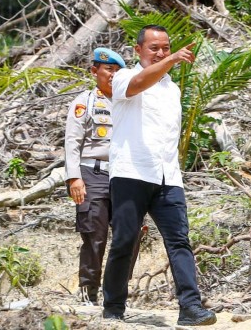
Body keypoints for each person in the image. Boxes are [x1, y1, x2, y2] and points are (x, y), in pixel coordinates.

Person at [101, 25, 217, 327]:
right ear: (138, 50)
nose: (161, 53)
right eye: (154, 48)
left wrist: (174, 171)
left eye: (166, 47)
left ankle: (190, 307)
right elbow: (139, 83)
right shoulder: (123, 77)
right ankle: (113, 306)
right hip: (131, 171)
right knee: (125, 240)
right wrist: (173, 60)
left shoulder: (173, 90)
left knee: (179, 240)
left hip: (167, 176)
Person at [64, 47, 126, 306]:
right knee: (94, 234)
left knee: (128, 234)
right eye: (108, 69)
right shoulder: (86, 101)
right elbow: (72, 141)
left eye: (117, 70)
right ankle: (89, 289)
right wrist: (73, 178)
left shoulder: (128, 101)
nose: (112, 74)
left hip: (124, 174)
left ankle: (117, 290)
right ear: (95, 71)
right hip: (93, 172)